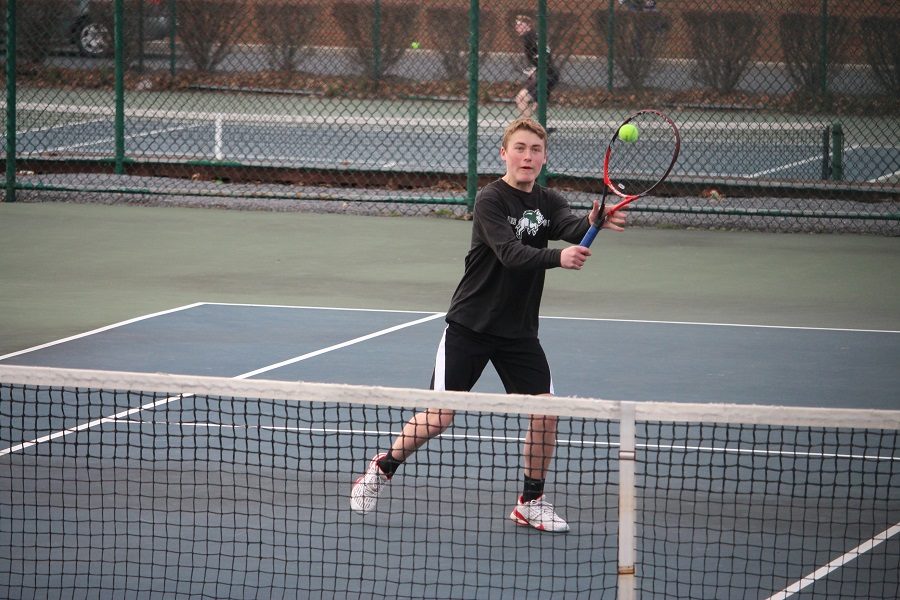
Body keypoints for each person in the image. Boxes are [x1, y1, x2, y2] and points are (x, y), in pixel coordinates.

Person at [349, 118, 627, 532]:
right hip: (471, 325)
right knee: (440, 417)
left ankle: (530, 501)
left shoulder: (548, 200)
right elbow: (511, 254)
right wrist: (558, 258)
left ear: (544, 156)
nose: (527, 156)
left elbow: (567, 226)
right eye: (520, 148)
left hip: (518, 333)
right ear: (504, 153)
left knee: (547, 412)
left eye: (535, 149)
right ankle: (383, 467)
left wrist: (593, 223)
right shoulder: (490, 200)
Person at [513, 15, 560, 120]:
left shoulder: (529, 37)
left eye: (520, 24)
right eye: (516, 24)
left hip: (547, 74)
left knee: (521, 99)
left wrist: (538, 67)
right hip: (549, 74)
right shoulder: (534, 36)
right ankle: (542, 127)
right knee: (537, 104)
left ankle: (529, 127)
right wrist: (535, 69)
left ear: (528, 25)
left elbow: (544, 55)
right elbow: (543, 55)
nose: (517, 27)